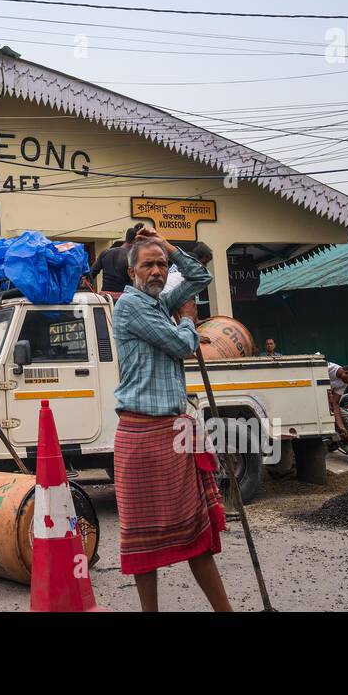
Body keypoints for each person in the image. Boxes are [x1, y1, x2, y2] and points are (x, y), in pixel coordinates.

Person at [111, 226, 231, 612]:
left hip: (173, 431)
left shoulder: (160, 302)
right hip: (141, 435)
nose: (158, 271)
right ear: (133, 273)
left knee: (196, 532)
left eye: (162, 264)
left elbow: (201, 276)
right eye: (149, 265)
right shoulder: (129, 306)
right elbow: (182, 345)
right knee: (141, 541)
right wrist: (188, 320)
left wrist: (168, 245)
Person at [89, 226, 139, 294]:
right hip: (124, 298)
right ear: (136, 240)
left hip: (106, 299)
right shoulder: (132, 257)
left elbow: (90, 275)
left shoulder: (105, 253)